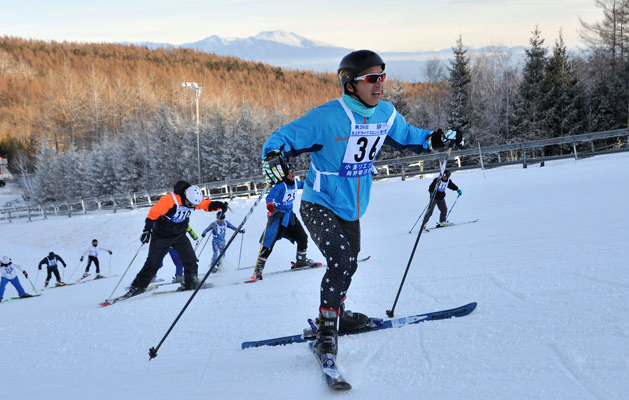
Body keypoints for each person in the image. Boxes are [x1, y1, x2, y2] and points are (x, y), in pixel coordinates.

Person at [260, 50, 461, 358]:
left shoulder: (385, 114)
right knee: (341, 258)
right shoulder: (328, 117)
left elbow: (410, 137)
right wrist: (274, 156)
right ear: (350, 84)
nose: (379, 85)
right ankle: (326, 329)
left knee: (348, 263)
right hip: (319, 202)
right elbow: (282, 138)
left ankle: (337, 313)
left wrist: (437, 139)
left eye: (382, 77)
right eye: (371, 79)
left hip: (351, 208)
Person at [123, 180, 228, 297]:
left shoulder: (193, 199)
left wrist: (219, 205)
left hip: (179, 235)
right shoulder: (169, 200)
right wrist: (147, 230)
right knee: (153, 263)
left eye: (193, 205)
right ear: (185, 195)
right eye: (189, 204)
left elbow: (206, 205)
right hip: (161, 236)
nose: (192, 206)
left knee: (191, 260)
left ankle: (191, 282)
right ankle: (137, 287)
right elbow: (153, 213)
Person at [252, 162, 316, 280]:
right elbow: (270, 197)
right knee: (269, 241)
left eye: (293, 170)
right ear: (285, 173)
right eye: (290, 171)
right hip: (277, 216)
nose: (293, 173)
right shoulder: (280, 185)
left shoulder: (295, 183)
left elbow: (305, 185)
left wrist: (315, 183)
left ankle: (301, 261)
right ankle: (259, 268)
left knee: (302, 237)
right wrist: (270, 205)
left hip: (289, 216)